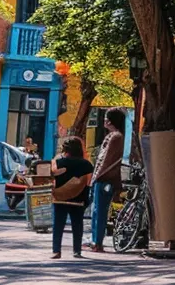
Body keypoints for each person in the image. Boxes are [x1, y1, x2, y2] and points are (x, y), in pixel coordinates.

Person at [87, 108, 127, 253]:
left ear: (111, 121)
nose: (104, 120)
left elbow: (107, 161)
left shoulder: (116, 137)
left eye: (106, 118)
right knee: (97, 210)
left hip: (104, 179)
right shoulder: (113, 136)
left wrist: (95, 178)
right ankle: (95, 240)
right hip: (102, 178)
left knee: (100, 210)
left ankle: (97, 241)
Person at [50, 137, 93, 259]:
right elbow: (88, 182)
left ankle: (56, 251)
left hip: (60, 198)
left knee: (58, 225)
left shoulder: (58, 162)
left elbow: (51, 178)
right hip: (79, 199)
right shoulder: (87, 164)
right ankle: (77, 251)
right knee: (77, 224)